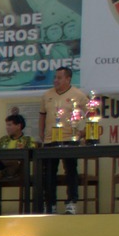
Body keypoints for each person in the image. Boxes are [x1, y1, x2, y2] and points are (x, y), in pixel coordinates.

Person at [38, 66, 86, 212]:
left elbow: (92, 112)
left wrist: (83, 132)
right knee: (49, 173)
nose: (56, 80)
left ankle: (71, 203)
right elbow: (42, 115)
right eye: (55, 77)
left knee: (70, 171)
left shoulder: (78, 95)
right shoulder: (47, 95)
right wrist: (41, 132)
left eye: (59, 78)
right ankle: (50, 204)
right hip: (50, 140)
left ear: (68, 79)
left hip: (69, 138)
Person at [0, 110, 36, 213]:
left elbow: (31, 152)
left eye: (10, 125)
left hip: (18, 170)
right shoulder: (4, 140)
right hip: (2, 169)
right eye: (7, 125)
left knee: (11, 159)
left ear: (18, 126)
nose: (7, 128)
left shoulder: (28, 139)